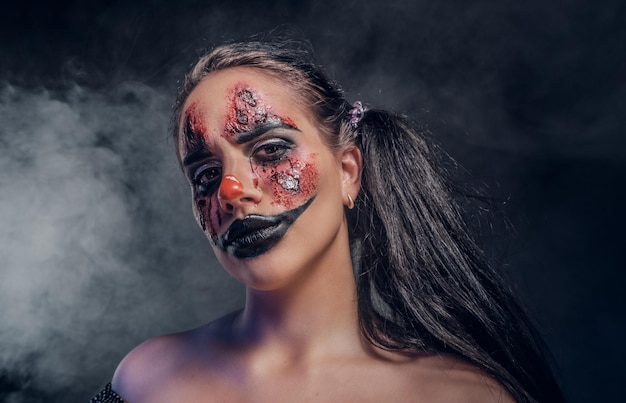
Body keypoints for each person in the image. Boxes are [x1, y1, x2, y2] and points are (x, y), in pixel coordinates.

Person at [91, 37, 564, 402]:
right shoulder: (146, 378)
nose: (233, 190)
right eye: (206, 174)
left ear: (347, 172)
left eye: (271, 150)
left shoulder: (463, 396)